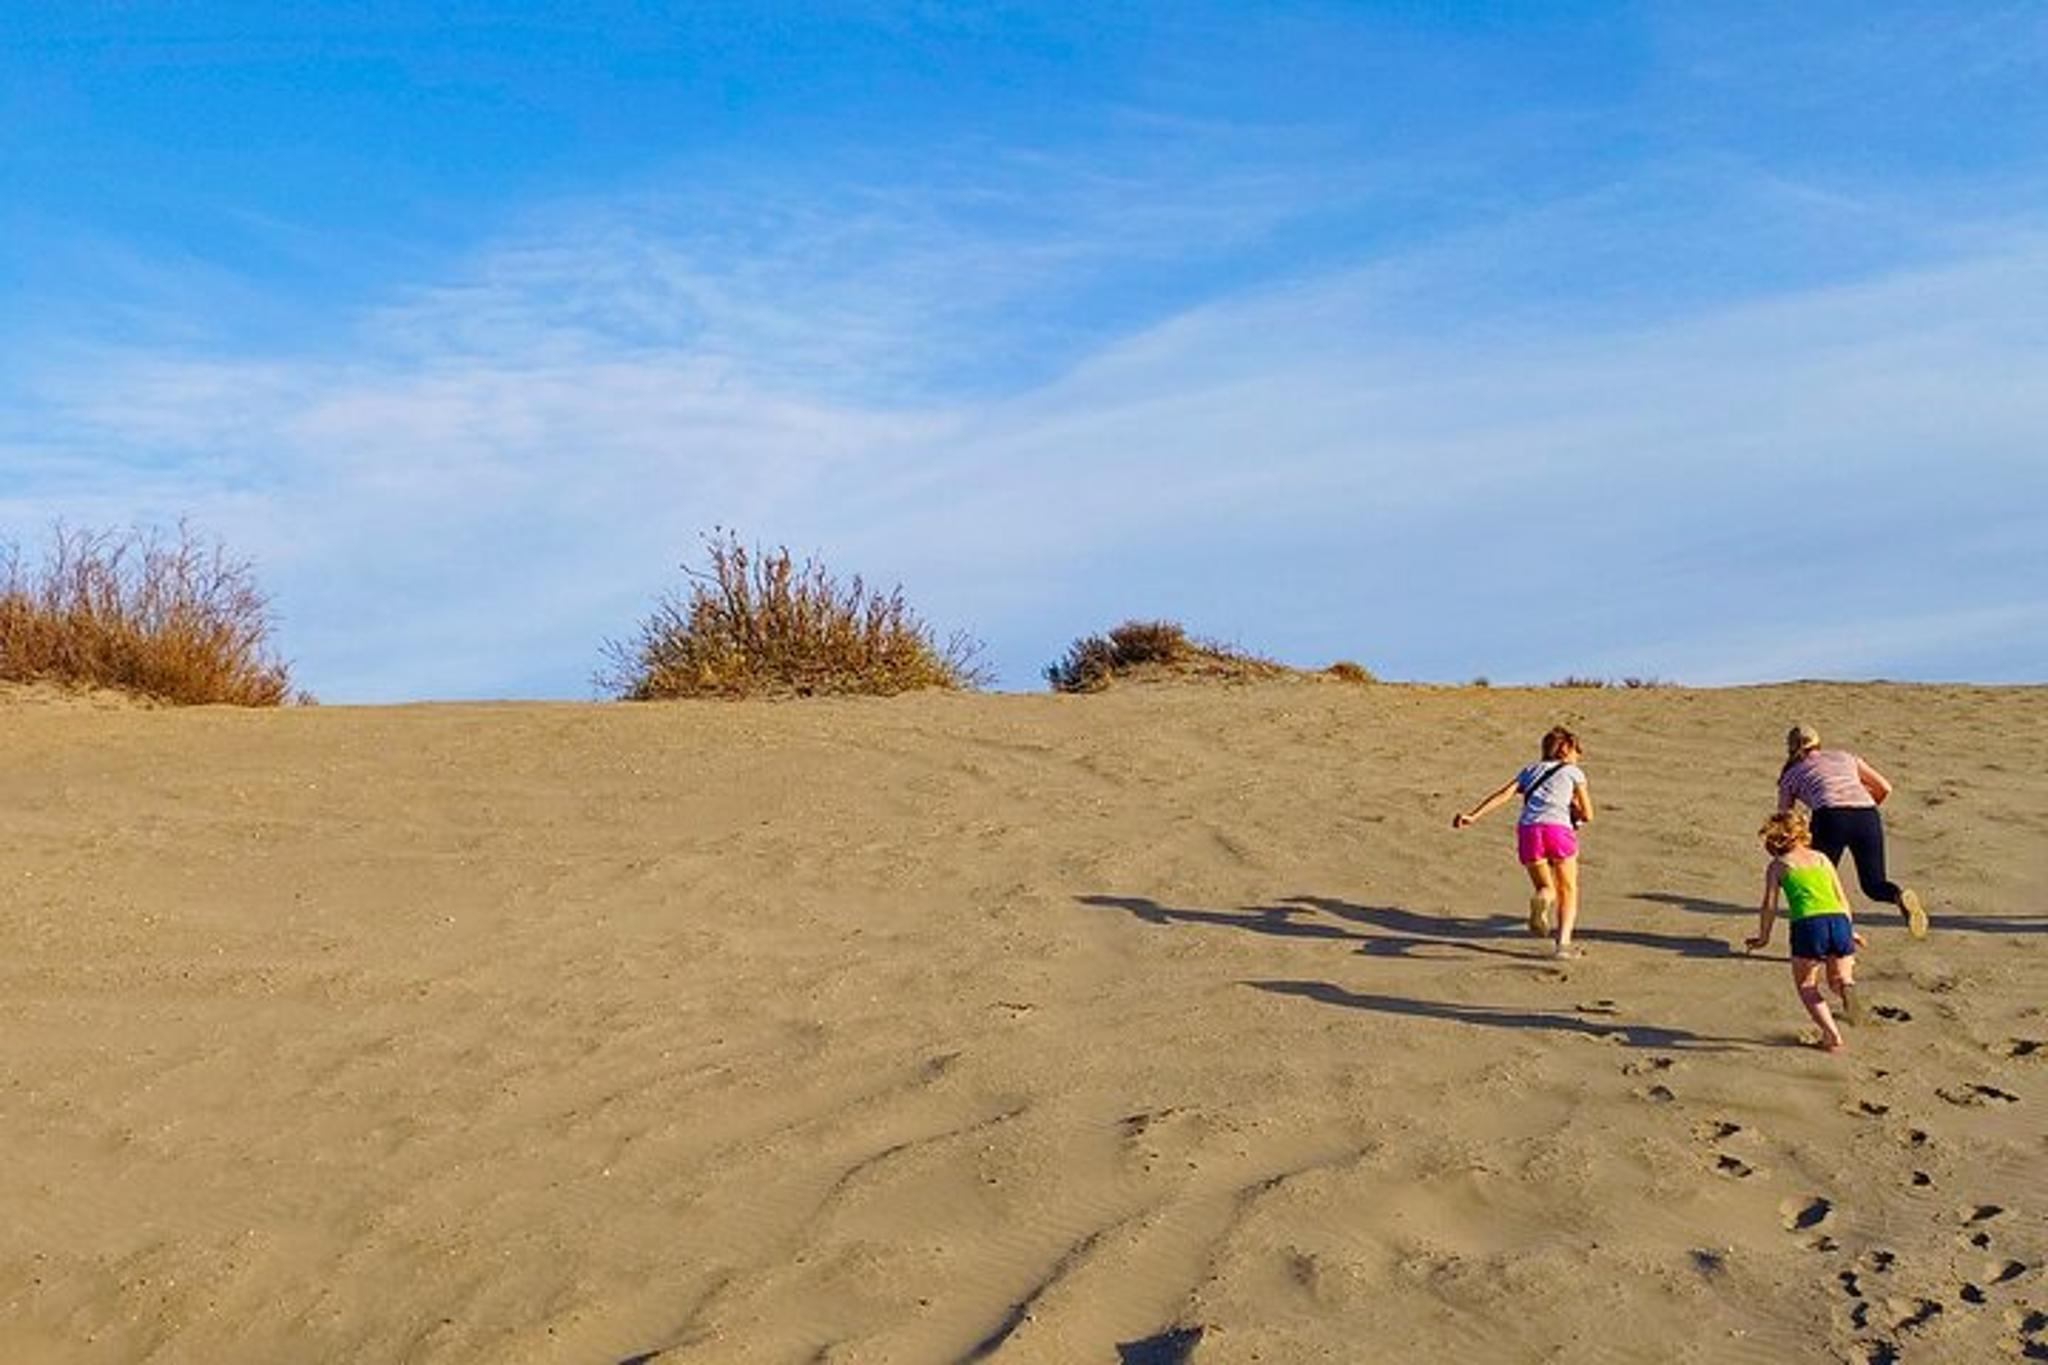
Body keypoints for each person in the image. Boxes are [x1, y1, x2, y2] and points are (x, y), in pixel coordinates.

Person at [1452, 725, 1594, 957]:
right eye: (1577, 751)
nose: (1578, 756)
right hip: (1558, 830)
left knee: (1545, 887)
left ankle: (1542, 899)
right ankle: (1563, 945)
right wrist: (1574, 810)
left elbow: (1504, 794)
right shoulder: (1573, 772)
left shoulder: (1530, 770)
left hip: (1529, 831)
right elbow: (1588, 815)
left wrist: (1473, 815)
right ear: (1566, 750)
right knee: (1568, 889)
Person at [1778, 723, 1927, 938]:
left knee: (1818, 878)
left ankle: (1832, 931)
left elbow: (1784, 817)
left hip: (1829, 817)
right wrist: (1862, 808)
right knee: (1874, 884)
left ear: (1791, 748)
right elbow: (1885, 787)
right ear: (1819, 743)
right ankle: (1898, 895)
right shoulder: (1845, 757)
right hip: (1867, 814)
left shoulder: (1791, 774)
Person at [1746, 810, 1866, 1051]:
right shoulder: (1822, 859)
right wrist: (1850, 930)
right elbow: (1841, 898)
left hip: (1809, 926)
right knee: (1836, 979)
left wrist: (1763, 938)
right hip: (1839, 921)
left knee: (1807, 986)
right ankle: (1846, 985)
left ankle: (1831, 1035)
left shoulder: (1779, 866)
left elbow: (1769, 906)